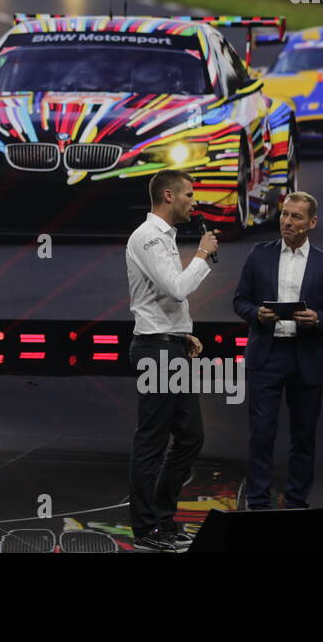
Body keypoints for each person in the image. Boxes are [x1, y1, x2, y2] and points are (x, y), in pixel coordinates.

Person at [232, 191, 323, 511]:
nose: (287, 221)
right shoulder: (259, 254)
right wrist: (257, 313)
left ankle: (296, 502)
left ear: (312, 222)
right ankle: (258, 502)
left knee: (304, 436)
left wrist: (317, 318)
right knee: (261, 434)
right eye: (284, 214)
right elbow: (239, 301)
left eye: (296, 217)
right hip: (266, 355)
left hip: (306, 355)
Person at [125, 169, 219, 552]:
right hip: (154, 350)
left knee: (191, 436)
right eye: (189, 194)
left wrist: (183, 334)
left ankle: (164, 519)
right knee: (152, 441)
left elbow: (165, 299)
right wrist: (202, 254)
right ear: (169, 195)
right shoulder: (147, 237)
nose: (194, 201)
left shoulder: (165, 237)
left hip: (170, 346)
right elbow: (177, 288)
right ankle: (146, 528)